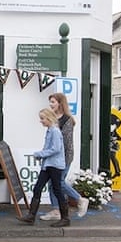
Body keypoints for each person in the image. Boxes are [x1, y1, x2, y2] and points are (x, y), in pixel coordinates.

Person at [17, 108, 70, 227]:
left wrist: (40, 154)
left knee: (57, 190)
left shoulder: (55, 131)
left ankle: (65, 218)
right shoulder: (50, 130)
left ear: (49, 118)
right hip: (48, 165)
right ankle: (31, 216)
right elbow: (50, 149)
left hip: (55, 165)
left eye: (42, 118)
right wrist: (42, 156)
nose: (41, 121)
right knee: (37, 188)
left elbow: (56, 149)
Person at [40, 93, 89, 221]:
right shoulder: (54, 118)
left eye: (53, 102)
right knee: (52, 184)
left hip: (64, 157)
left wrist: (64, 160)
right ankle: (56, 210)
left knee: (59, 182)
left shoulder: (67, 120)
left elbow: (66, 143)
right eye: (50, 102)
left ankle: (80, 199)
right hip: (53, 159)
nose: (51, 105)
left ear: (60, 103)